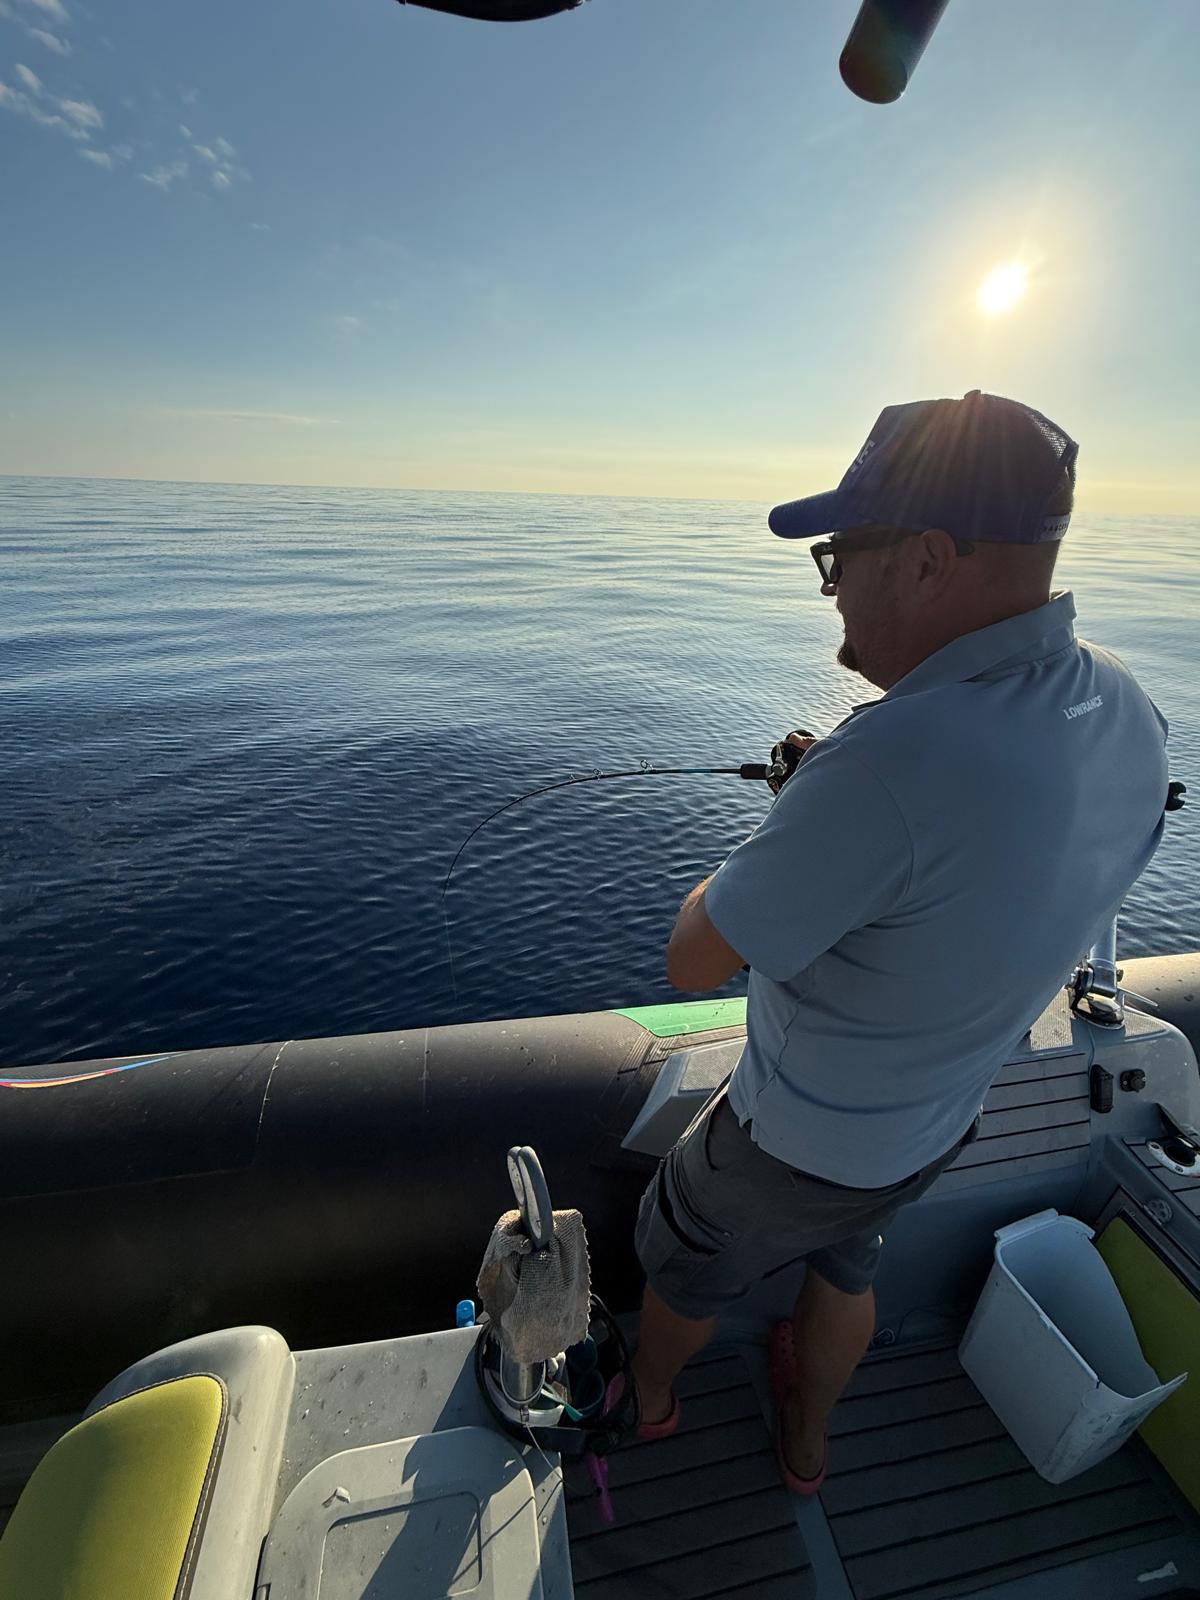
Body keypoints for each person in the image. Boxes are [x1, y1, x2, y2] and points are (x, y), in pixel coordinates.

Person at [630, 390, 1171, 1494]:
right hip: (934, 1127)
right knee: (850, 1259)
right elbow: (1005, 862)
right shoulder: (1127, 709)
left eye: (838, 559)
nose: (832, 597)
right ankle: (811, 1442)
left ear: (926, 558)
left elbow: (694, 956)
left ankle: (644, 1402)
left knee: (681, 1262)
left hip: (790, 1141)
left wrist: (799, 811)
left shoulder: (881, 766)